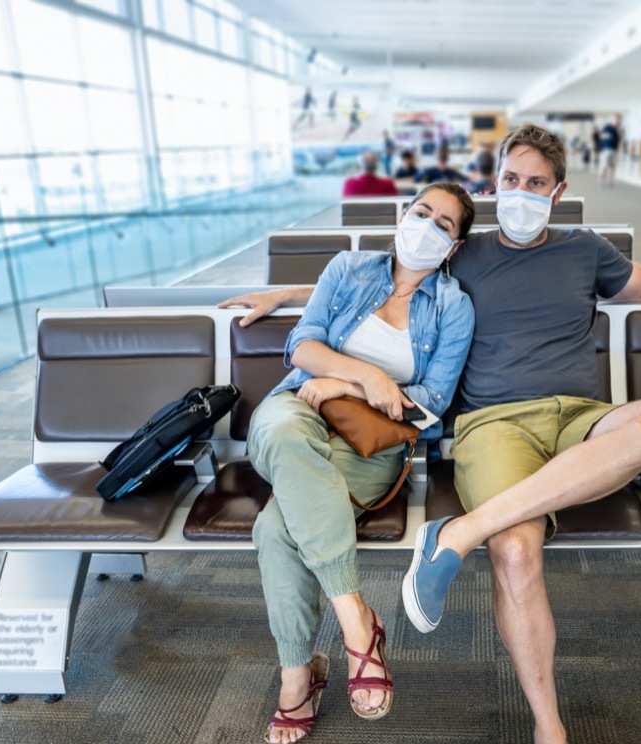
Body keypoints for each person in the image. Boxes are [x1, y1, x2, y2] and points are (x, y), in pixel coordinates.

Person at [225, 124, 641, 744]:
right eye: (510, 180)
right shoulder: (462, 250)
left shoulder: (583, 249)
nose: (521, 193)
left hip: (581, 415)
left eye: (536, 184)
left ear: (558, 192)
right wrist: (287, 293)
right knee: (516, 550)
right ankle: (548, 726)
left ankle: (460, 534)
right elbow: (387, 277)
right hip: (494, 424)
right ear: (493, 182)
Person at [223, 183, 476, 744]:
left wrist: (344, 384)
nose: (428, 227)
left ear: (454, 247)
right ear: (400, 215)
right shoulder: (349, 268)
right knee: (288, 434)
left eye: (445, 225)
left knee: (275, 528)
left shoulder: (453, 307)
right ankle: (358, 625)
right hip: (296, 410)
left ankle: (298, 677)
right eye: (421, 213)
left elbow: (432, 400)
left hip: (372, 442)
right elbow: (302, 347)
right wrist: (368, 377)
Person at [598, 114, 624, 187]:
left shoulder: (619, 129)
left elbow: (619, 140)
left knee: (612, 166)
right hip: (607, 149)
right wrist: (607, 136)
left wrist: (619, 133)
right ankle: (601, 181)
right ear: (614, 119)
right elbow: (601, 136)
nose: (618, 121)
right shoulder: (608, 127)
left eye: (619, 120)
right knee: (605, 165)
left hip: (614, 150)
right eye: (617, 119)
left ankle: (610, 181)